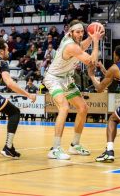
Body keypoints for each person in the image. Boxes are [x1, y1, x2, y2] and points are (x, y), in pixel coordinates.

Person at [43, 20, 104, 160]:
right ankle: (55, 148)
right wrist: (95, 41)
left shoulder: (75, 42)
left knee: (83, 108)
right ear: (70, 32)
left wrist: (91, 36)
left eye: (82, 31)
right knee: (64, 107)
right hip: (54, 78)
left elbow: (82, 46)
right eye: (78, 32)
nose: (80, 34)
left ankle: (74, 145)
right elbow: (91, 62)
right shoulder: (70, 46)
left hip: (67, 79)